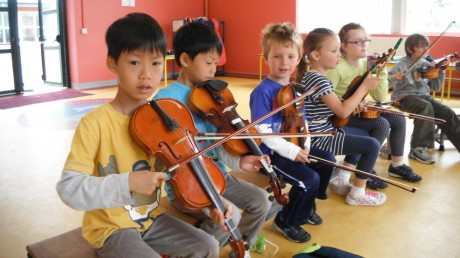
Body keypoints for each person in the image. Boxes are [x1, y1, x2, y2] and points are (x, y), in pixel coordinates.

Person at [55, 13, 225, 258]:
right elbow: (68, 189)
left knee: (208, 246)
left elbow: (185, 170)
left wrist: (212, 203)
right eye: (135, 62)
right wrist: (127, 183)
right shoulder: (94, 124)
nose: (147, 74)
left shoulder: (164, 116)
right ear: (113, 63)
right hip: (111, 227)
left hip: (151, 219)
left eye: (155, 63)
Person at [152, 21, 272, 250]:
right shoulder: (167, 99)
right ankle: (199, 250)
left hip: (220, 176)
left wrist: (240, 161)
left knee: (262, 201)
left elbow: (217, 148)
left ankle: (242, 246)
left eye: (216, 63)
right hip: (189, 185)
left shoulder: (213, 98)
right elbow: (163, 155)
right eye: (208, 62)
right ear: (185, 60)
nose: (213, 69)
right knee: (232, 216)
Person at [250, 22, 336, 243]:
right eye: (277, 56)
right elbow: (263, 133)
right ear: (266, 57)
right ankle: (286, 220)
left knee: (327, 160)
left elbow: (302, 121)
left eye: (290, 56)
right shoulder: (262, 92)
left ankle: (306, 206)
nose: (284, 63)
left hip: (294, 145)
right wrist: (292, 151)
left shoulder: (295, 89)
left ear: (298, 59)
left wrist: (305, 145)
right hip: (272, 154)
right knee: (309, 179)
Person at [296, 27, 387, 206]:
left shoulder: (315, 76)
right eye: (334, 51)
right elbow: (342, 112)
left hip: (324, 130)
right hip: (318, 137)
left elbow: (333, 106)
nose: (339, 55)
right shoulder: (318, 79)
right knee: (372, 145)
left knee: (372, 130)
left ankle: (344, 180)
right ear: (315, 55)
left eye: (338, 50)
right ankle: (357, 193)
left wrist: (354, 103)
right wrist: (364, 88)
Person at [326, 23, 422, 186]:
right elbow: (327, 97)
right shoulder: (337, 68)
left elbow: (379, 96)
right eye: (358, 42)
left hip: (357, 111)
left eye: (366, 41)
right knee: (381, 124)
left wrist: (382, 71)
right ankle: (364, 168)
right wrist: (349, 103)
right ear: (343, 46)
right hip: (339, 115)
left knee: (397, 118)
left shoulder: (366, 65)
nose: (364, 45)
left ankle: (397, 165)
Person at [389, 33, 460, 162]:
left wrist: (441, 70)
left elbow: (436, 87)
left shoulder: (427, 65)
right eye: (421, 47)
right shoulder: (401, 64)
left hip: (423, 96)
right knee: (425, 107)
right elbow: (385, 82)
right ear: (410, 49)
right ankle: (418, 148)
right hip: (403, 98)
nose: (426, 50)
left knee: (446, 112)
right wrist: (394, 78)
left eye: (427, 47)